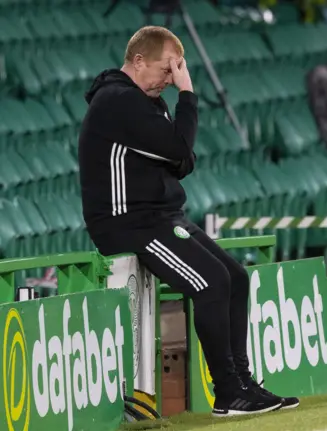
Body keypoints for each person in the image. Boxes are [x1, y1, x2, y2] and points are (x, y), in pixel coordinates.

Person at [78, 26, 298, 416]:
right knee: (211, 283)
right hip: (128, 221)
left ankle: (244, 383)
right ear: (139, 60)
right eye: (167, 70)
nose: (170, 79)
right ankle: (228, 393)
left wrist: (177, 137)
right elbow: (180, 148)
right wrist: (188, 94)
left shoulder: (147, 102)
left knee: (235, 277)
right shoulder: (117, 101)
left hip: (160, 214)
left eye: (176, 72)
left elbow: (183, 163)